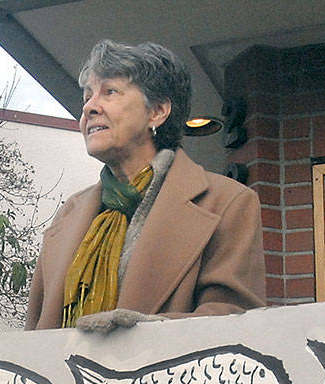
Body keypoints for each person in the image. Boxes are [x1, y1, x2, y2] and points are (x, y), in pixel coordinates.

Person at [25, 39, 265, 332]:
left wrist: (146, 332)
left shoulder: (229, 202)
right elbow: (35, 335)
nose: (89, 107)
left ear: (158, 112)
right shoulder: (68, 215)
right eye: (87, 96)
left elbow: (233, 323)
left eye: (109, 92)